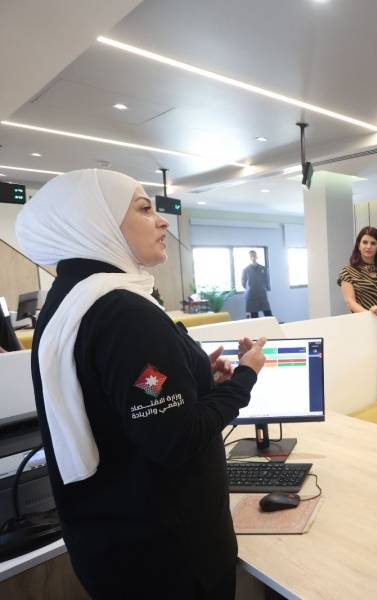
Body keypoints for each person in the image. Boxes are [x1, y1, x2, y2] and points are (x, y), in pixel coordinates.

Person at [15, 169, 268, 599]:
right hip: (170, 556)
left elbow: (121, 397)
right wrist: (245, 376)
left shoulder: (70, 300)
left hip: (115, 544)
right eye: (144, 209)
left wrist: (195, 379)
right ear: (97, 223)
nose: (163, 220)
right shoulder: (125, 313)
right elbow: (175, 439)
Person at [338, 226, 377, 347]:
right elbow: (350, 302)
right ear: (358, 245)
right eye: (365, 242)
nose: (368, 246)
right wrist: (369, 314)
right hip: (364, 326)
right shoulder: (347, 271)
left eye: (373, 243)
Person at [241, 250, 272, 318]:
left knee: (268, 315)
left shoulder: (263, 268)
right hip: (252, 296)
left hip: (262, 294)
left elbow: (266, 280)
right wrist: (250, 289)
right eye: (251, 256)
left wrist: (263, 288)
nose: (253, 257)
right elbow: (243, 283)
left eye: (254, 256)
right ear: (249, 257)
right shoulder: (246, 270)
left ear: (257, 256)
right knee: (254, 317)